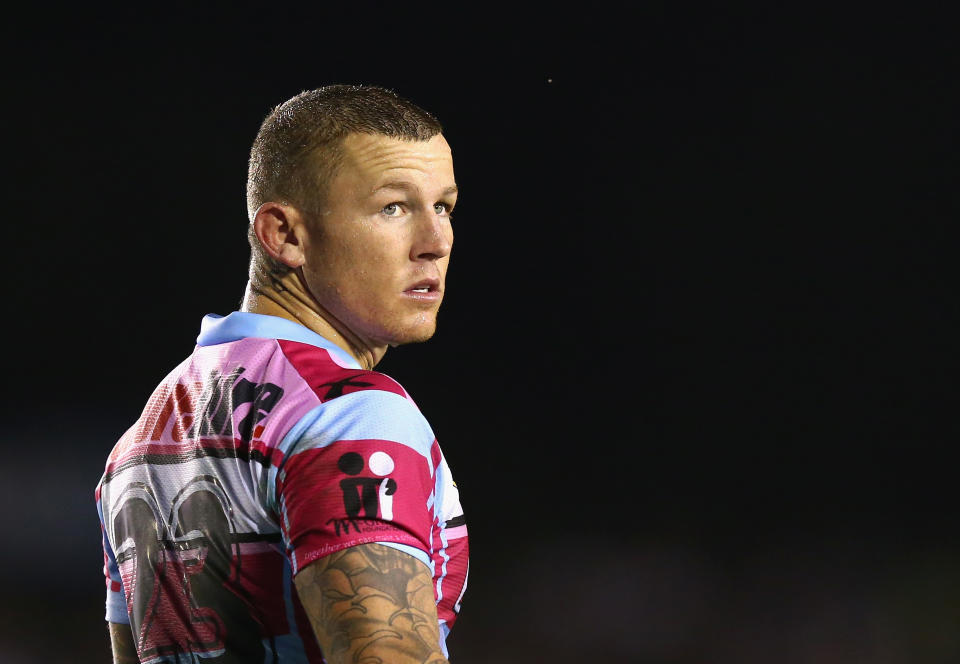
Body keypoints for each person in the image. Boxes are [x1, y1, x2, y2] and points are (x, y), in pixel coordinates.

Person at [95, 85, 469, 664]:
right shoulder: (349, 410)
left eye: (442, 206)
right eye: (392, 207)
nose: (436, 243)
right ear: (285, 235)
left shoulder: (143, 437)